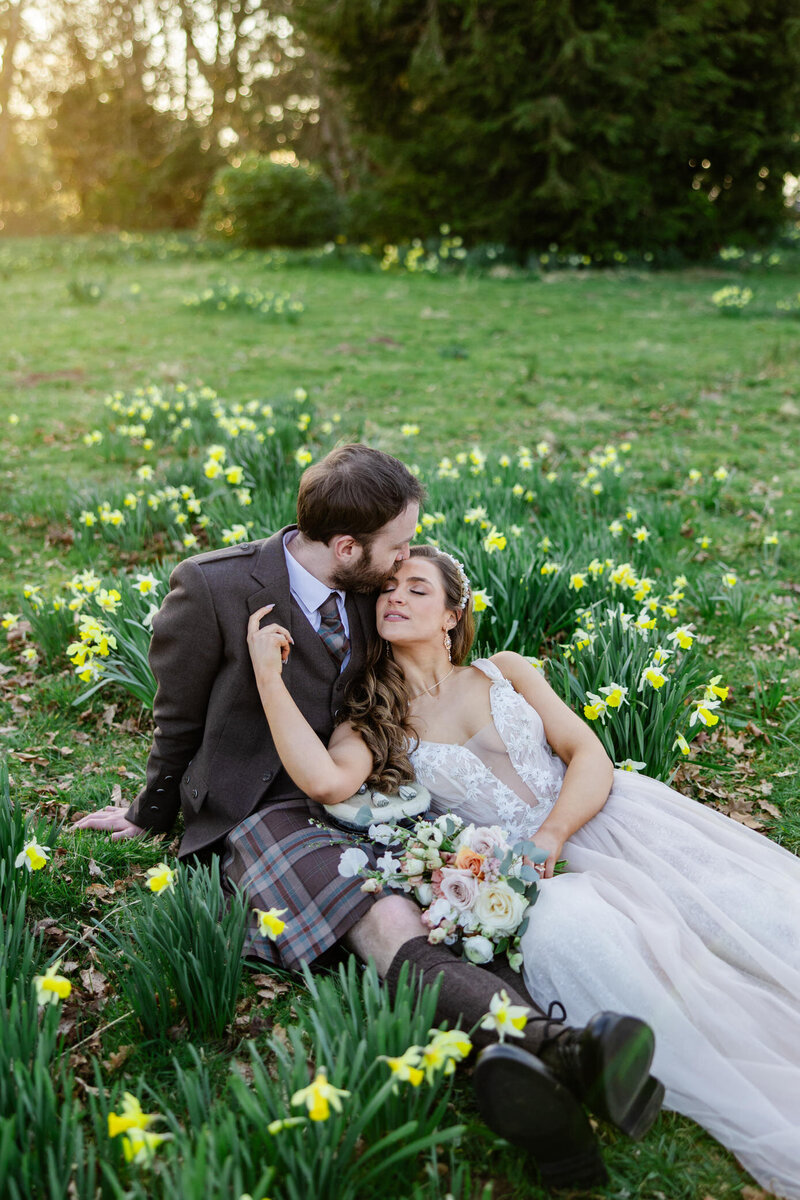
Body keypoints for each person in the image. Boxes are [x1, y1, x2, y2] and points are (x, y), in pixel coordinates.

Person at [72, 446, 659, 1190]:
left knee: (452, 917)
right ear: (347, 548)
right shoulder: (216, 587)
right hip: (272, 806)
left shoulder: (379, 589)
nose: (407, 560)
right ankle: (561, 1050)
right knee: (386, 922)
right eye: (399, 546)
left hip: (391, 792)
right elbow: (176, 718)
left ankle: (552, 1088)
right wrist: (150, 813)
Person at [247, 543, 800, 1200]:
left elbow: (584, 750)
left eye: (416, 588)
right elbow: (324, 781)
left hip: (605, 817)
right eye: (387, 589)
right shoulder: (374, 722)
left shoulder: (504, 670)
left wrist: (555, 830)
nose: (395, 597)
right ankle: (599, 1062)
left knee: (755, 917)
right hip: (533, 878)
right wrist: (268, 679)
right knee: (594, 940)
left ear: (453, 613)